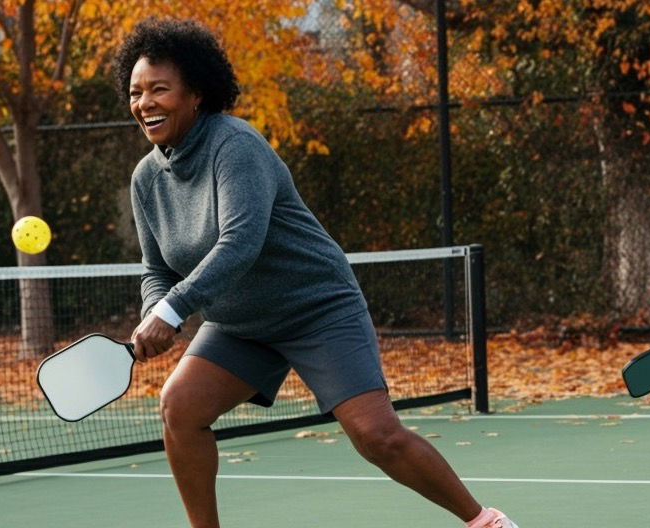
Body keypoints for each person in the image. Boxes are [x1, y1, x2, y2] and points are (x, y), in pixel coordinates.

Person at [111, 18, 519, 528]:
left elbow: (239, 244)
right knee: (179, 407)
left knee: (378, 437)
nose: (144, 102)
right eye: (135, 92)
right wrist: (155, 306)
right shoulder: (146, 178)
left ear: (195, 93)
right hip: (241, 326)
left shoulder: (235, 146)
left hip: (315, 308)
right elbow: (157, 268)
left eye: (158, 89)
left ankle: (484, 521)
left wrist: (173, 310)